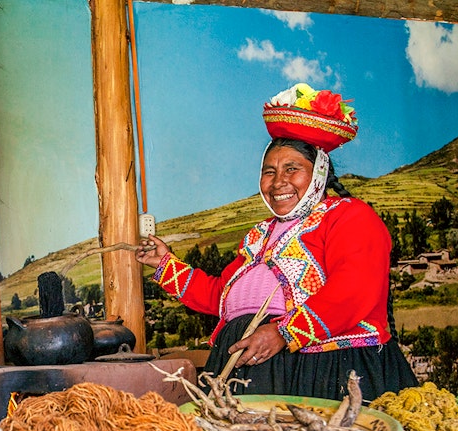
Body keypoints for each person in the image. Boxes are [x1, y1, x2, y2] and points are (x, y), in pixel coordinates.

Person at [137, 83, 417, 402]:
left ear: (319, 173)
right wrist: (163, 263)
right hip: (248, 368)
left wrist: (284, 333)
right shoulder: (260, 235)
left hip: (320, 371)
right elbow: (221, 297)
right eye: (269, 172)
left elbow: (354, 289)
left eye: (292, 169)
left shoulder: (349, 216)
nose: (278, 181)